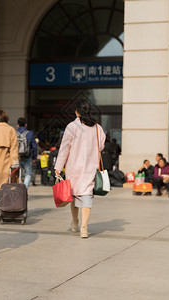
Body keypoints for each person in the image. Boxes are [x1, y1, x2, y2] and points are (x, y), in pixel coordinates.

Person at [54, 99, 106, 239]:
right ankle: (84, 227)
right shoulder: (97, 128)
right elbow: (101, 146)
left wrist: (58, 167)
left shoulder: (71, 126)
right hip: (90, 167)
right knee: (87, 195)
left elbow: (64, 149)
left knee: (74, 195)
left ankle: (75, 222)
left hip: (74, 167)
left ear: (77, 111)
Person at [16, 117, 37, 188]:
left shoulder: (14, 133)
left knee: (17, 174)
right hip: (27, 156)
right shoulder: (30, 133)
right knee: (27, 174)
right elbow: (34, 146)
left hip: (17, 157)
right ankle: (24, 191)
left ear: (17, 125)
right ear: (26, 125)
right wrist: (34, 157)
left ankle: (18, 191)